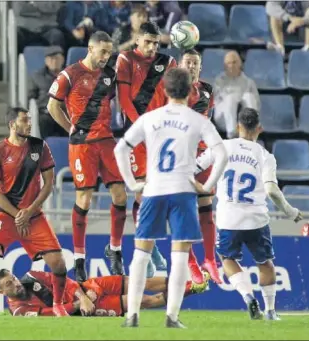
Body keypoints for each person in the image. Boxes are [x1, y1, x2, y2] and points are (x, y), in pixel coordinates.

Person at [114, 68, 228, 328]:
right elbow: (221, 154)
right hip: (183, 191)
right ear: (191, 91)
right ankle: (172, 317)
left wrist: (132, 183)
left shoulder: (150, 118)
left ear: (163, 90)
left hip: (153, 190)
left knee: (141, 255)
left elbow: (121, 148)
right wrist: (207, 185)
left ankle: (132, 316)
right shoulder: (198, 120)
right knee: (179, 257)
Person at [195, 107, 303, 320]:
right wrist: (291, 212)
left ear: (238, 127)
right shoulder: (265, 156)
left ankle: (248, 297)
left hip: (228, 219)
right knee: (265, 263)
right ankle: (271, 311)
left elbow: (195, 167)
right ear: (259, 129)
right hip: (256, 219)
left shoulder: (222, 147)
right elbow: (271, 189)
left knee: (227, 258)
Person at [0, 107, 70, 317]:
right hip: (5, 214)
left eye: (29, 120)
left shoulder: (39, 146)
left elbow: (49, 183)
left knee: (58, 263)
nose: (29, 124)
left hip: (33, 215)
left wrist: (30, 210)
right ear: (12, 124)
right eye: (24, 120)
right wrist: (17, 214)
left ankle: (58, 304)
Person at [47, 31, 128, 282]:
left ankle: (114, 250)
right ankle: (79, 258)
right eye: (103, 51)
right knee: (84, 199)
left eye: (110, 53)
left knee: (120, 195)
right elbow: (52, 106)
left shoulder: (109, 75)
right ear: (90, 49)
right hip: (82, 145)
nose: (107, 57)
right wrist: (71, 128)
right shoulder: (70, 74)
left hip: (105, 141)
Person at [116, 21, 177, 276]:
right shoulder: (126, 59)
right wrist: (143, 127)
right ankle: (146, 250)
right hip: (137, 136)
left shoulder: (169, 63)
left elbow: (173, 98)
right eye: (148, 42)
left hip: (161, 137)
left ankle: (149, 246)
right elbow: (124, 99)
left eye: (156, 43)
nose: (152, 47)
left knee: (156, 195)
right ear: (138, 40)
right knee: (142, 191)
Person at [0, 269, 208, 317]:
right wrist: (81, 305)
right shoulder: (19, 311)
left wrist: (84, 295)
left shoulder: (33, 276)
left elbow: (64, 280)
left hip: (90, 288)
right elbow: (51, 313)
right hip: (88, 308)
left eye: (14, 279)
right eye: (9, 284)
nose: (16, 284)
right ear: (2, 292)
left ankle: (194, 280)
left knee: (142, 282)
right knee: (145, 301)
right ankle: (190, 290)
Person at [179, 49, 221, 285]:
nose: (192, 66)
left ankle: (209, 260)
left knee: (206, 205)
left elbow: (208, 118)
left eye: (195, 63)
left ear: (200, 67)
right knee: (184, 210)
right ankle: (191, 261)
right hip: (182, 154)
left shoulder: (207, 89)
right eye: (188, 62)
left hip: (202, 154)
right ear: (180, 64)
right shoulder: (174, 89)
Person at [213, 51, 260, 139]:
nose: (231, 65)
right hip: (224, 118)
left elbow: (256, 103)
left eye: (234, 62)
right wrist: (236, 97)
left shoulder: (249, 82)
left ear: (240, 64)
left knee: (249, 97)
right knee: (230, 98)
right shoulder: (219, 81)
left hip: (242, 119)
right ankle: (232, 135)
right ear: (224, 66)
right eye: (228, 63)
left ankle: (251, 130)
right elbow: (217, 103)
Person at [28, 46, 67, 139]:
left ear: (62, 59)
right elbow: (31, 96)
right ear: (46, 61)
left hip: (65, 112)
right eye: (51, 59)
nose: (54, 61)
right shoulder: (37, 76)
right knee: (43, 121)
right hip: (45, 112)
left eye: (57, 58)